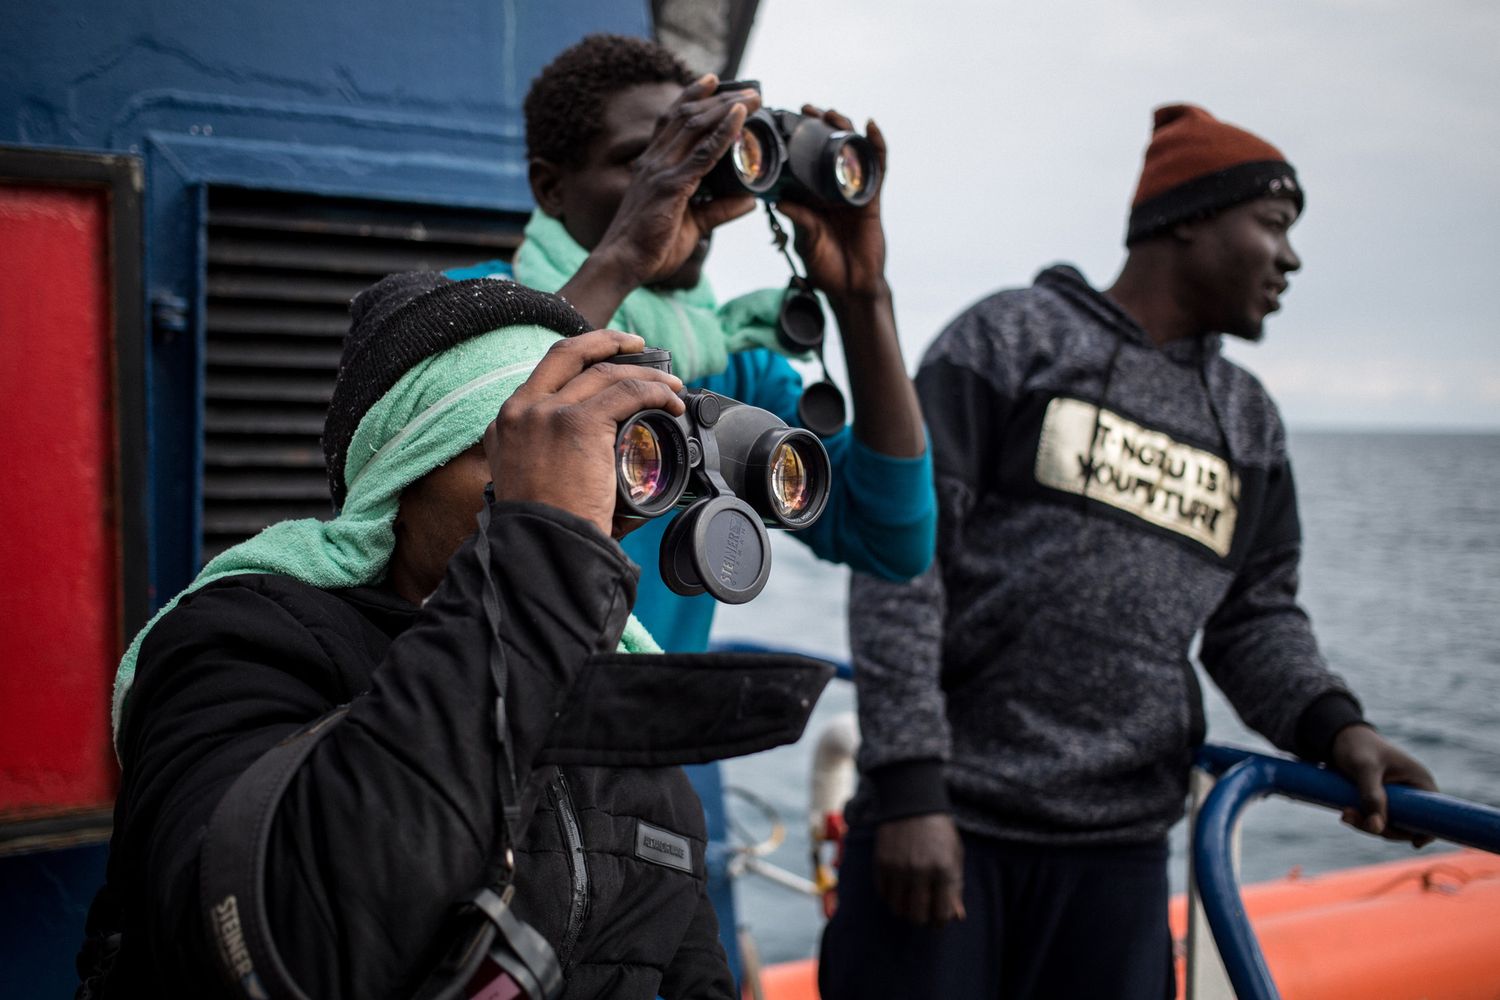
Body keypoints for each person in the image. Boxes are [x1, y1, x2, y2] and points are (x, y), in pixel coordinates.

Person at [819, 104, 1439, 1000]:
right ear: (1189, 218)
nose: (1291, 260)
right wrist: (912, 787)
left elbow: (1255, 620)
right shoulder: (1010, 340)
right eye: (1273, 226)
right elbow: (902, 565)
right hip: (946, 820)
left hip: (1120, 854)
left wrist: (1340, 731)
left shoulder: (1251, 423)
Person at [77, 273, 832, 1000]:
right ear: (400, 474)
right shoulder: (237, 642)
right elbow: (288, 939)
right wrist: (543, 548)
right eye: (515, 456)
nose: (584, 488)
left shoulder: (622, 720)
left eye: (595, 458)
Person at [485, 33, 935, 652]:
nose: (684, 184)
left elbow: (892, 539)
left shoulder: (730, 366)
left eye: (701, 159)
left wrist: (863, 297)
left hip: (653, 716)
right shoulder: (467, 312)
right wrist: (624, 255)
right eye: (647, 162)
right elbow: (484, 439)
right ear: (551, 187)